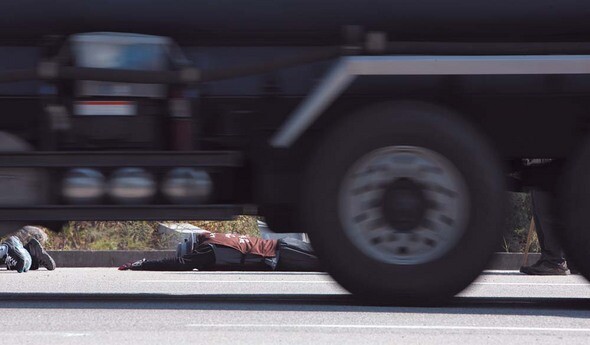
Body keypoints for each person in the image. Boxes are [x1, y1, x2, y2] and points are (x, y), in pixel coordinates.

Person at [119, 229, 322, 272]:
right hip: (284, 246)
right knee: (333, 258)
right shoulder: (214, 236)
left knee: (332, 264)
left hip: (282, 256)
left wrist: (143, 264)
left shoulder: (208, 250)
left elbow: (177, 264)